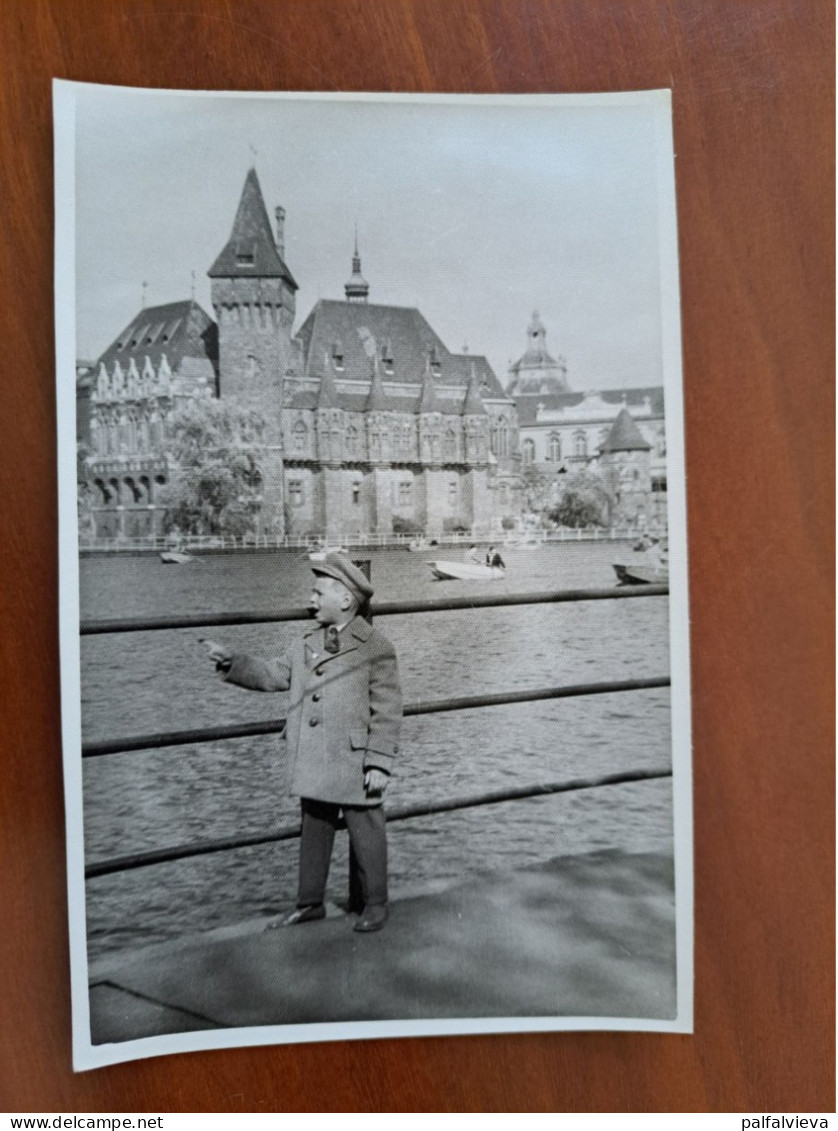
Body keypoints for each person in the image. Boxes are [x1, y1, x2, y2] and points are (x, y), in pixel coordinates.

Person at [202, 554, 402, 933]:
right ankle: (309, 902)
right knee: (314, 826)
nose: (311, 599)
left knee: (367, 830)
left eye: (318, 592)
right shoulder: (306, 643)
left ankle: (375, 902)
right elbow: (274, 674)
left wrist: (378, 762)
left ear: (345, 600)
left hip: (355, 760)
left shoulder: (375, 647)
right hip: (315, 757)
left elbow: (388, 711)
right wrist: (234, 663)